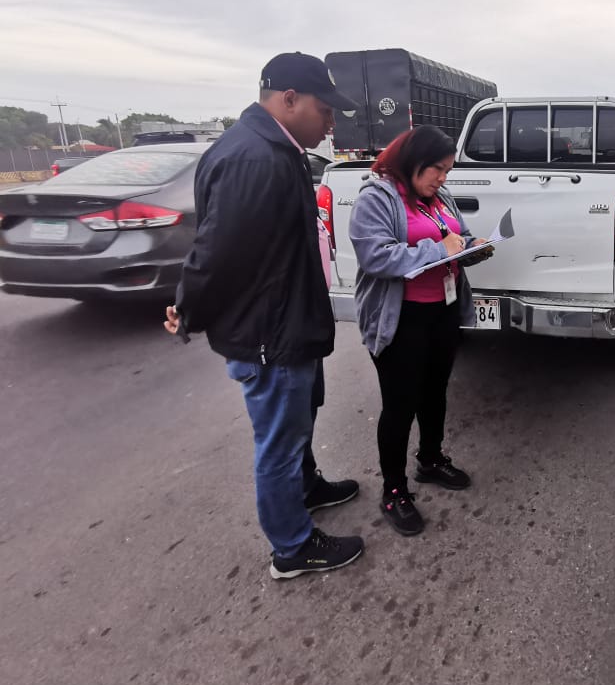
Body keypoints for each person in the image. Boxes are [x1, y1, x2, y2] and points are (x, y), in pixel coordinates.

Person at [164, 52, 364, 579]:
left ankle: (306, 489)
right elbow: (217, 251)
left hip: (287, 320)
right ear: (289, 99)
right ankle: (292, 547)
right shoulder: (256, 157)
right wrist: (188, 309)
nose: (332, 121)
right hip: (268, 332)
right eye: (326, 109)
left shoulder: (278, 147)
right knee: (277, 439)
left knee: (298, 422)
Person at [347, 125, 492, 536]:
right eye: (437, 169)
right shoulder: (376, 198)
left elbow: (454, 238)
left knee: (435, 393)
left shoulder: (438, 198)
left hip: (442, 313)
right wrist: (441, 249)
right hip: (401, 319)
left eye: (447, 170)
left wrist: (471, 247)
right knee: (399, 405)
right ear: (412, 162)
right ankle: (394, 490)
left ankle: (430, 460)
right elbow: (377, 256)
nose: (442, 178)